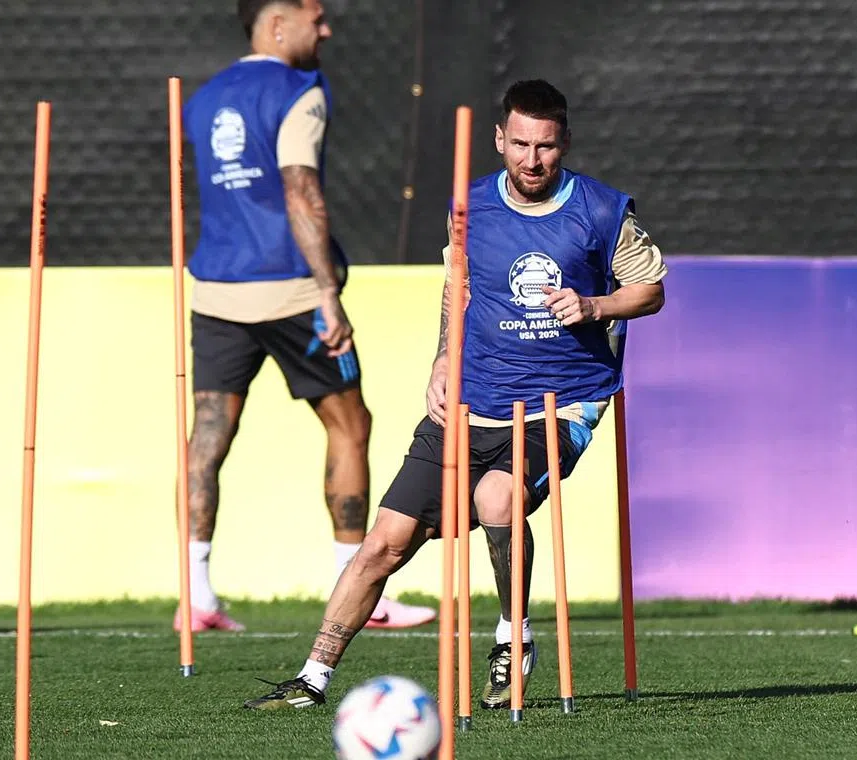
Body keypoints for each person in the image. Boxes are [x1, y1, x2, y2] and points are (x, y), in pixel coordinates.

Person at [243, 78, 668, 709]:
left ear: (565, 144)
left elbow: (651, 290)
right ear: (500, 139)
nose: (532, 160)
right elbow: (458, 287)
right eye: (520, 144)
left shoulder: (602, 211)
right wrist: (444, 354)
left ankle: (512, 638)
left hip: (561, 400)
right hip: (474, 396)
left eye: (546, 147)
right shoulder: (469, 207)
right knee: (383, 542)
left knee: (498, 494)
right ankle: (312, 679)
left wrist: (595, 303)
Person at [173, 0, 435, 633]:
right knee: (350, 424)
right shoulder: (301, 89)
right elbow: (301, 189)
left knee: (208, 435)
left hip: (215, 289)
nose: (327, 31)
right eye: (315, 19)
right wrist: (327, 292)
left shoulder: (202, 99)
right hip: (291, 288)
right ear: (277, 24)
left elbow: (197, 188)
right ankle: (360, 590)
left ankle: (196, 596)